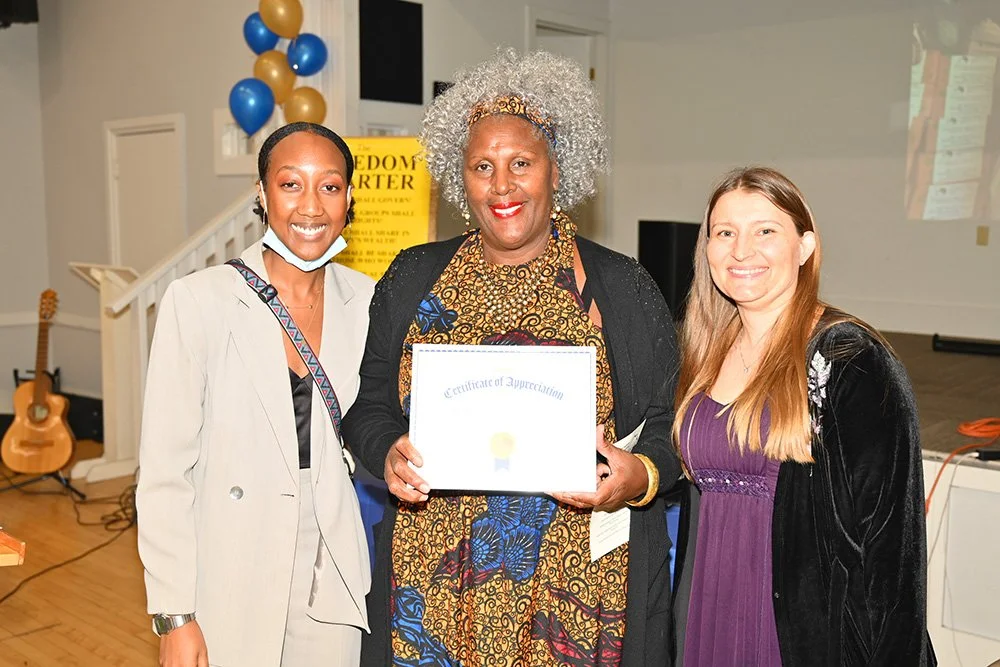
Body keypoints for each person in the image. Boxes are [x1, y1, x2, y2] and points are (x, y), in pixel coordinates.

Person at [341, 48, 681, 666]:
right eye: (482, 166)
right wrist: (387, 449)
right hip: (434, 589)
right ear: (458, 175)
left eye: (522, 163)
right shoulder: (414, 277)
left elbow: (670, 426)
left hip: (576, 595)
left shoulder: (624, 289)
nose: (502, 186)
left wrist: (640, 475)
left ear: (557, 170)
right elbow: (367, 407)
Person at [671, 166, 936, 666]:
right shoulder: (706, 352)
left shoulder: (849, 361)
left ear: (806, 247)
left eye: (765, 231)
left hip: (802, 636)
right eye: (724, 232)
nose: (741, 250)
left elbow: (891, 555)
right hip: (708, 611)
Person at [136, 122, 374, 667]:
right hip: (231, 558)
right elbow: (165, 473)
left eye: (329, 186)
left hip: (332, 560)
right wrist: (175, 614)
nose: (310, 206)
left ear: (349, 199)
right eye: (291, 184)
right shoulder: (198, 302)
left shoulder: (366, 301)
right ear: (262, 195)